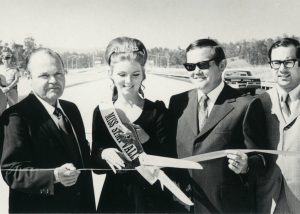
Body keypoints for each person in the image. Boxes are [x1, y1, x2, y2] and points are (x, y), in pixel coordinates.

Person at [168, 38, 266, 213]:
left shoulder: (246, 104)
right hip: (183, 204)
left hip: (224, 207)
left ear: (222, 65)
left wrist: (247, 165)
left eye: (203, 65)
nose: (196, 72)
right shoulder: (177, 102)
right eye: (190, 66)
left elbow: (262, 158)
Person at [91, 37, 180, 213]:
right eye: (122, 74)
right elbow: (96, 167)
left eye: (135, 74)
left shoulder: (157, 111)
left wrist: (147, 140)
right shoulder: (102, 112)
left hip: (151, 200)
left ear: (143, 74)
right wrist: (104, 153)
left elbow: (170, 160)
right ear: (110, 74)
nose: (129, 81)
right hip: (115, 199)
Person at [0, 48, 95, 213]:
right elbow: (11, 171)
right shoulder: (16, 117)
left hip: (80, 206)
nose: (54, 80)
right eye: (44, 75)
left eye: (59, 74)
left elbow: (84, 158)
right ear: (28, 78)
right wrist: (54, 176)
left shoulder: (71, 109)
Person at [256, 37, 300, 213]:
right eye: (276, 63)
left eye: (288, 62)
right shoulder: (259, 103)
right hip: (269, 201)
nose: (282, 69)